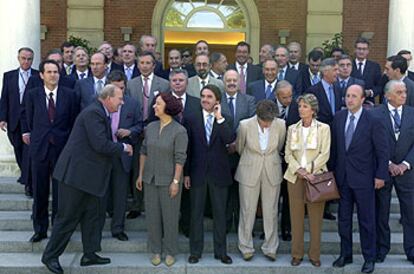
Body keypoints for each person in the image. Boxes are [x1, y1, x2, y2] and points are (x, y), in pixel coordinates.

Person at [41, 84, 133, 274]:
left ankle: (89, 254)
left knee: (93, 216)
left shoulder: (99, 112)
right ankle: (50, 256)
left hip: (90, 178)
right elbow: (100, 144)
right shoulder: (94, 113)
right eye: (119, 98)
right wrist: (124, 148)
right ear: (107, 98)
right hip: (75, 177)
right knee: (67, 218)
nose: (122, 102)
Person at [331, 84, 388, 273]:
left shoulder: (373, 119)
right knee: (344, 220)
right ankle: (345, 254)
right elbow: (336, 149)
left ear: (363, 99)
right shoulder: (338, 118)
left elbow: (382, 150)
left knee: (367, 220)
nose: (349, 99)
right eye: (347, 96)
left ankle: (369, 257)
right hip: (343, 179)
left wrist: (381, 175)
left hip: (365, 179)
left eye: (354, 96)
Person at [21, 59, 78, 243]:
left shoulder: (69, 95)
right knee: (40, 191)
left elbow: (73, 122)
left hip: (62, 149)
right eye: (49, 72)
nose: (53, 75)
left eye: (56, 72)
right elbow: (28, 118)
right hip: (39, 149)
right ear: (42, 75)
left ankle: (59, 230)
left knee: (61, 193)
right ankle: (40, 229)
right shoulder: (32, 95)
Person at [136, 92, 188, 267]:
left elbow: (180, 158)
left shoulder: (179, 131)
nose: (154, 107)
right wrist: (141, 175)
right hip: (150, 179)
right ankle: (156, 250)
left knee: (170, 217)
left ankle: (171, 251)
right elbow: (143, 151)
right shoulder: (150, 127)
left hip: (169, 181)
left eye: (157, 104)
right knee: (152, 217)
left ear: (167, 107)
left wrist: (175, 182)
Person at [184, 84, 234, 265]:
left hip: (219, 174)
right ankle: (195, 252)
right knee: (195, 214)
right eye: (203, 96)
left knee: (220, 215)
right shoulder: (191, 118)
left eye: (209, 97)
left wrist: (219, 118)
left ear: (217, 101)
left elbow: (230, 140)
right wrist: (186, 174)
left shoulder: (225, 119)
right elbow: (187, 149)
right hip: (197, 173)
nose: (205, 99)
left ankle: (221, 252)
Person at [235, 100, 286, 261]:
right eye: (265, 121)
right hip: (249, 168)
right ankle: (245, 247)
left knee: (271, 210)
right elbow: (239, 147)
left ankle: (271, 248)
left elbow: (279, 146)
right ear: (257, 116)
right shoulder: (244, 125)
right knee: (247, 210)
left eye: (271, 121)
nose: (268, 124)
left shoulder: (281, 124)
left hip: (272, 168)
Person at [284, 93, 331, 267]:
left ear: (313, 109)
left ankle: (315, 255)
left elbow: (324, 153)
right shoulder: (292, 128)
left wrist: (310, 170)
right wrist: (300, 171)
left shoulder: (323, 128)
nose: (301, 109)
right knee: (295, 218)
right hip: (295, 177)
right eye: (300, 106)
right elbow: (288, 154)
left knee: (315, 218)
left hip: (316, 177)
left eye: (304, 106)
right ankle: (297, 254)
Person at [372, 80, 414, 265]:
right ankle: (381, 248)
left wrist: (405, 164)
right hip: (383, 170)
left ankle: (411, 250)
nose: (404, 95)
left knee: (410, 213)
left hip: (408, 173)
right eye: (399, 92)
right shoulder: (374, 114)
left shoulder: (413, 114)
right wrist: (387, 163)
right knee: (382, 212)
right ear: (388, 95)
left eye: (404, 92)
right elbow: (372, 142)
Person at [126, 51, 170, 219]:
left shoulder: (164, 84)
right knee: (138, 168)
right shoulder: (131, 84)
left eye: (147, 63)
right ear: (138, 65)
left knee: (157, 167)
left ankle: (155, 204)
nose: (144, 66)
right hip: (136, 132)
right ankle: (137, 204)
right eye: (141, 63)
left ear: (154, 65)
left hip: (157, 130)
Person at [102, 71, 143, 241]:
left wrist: (130, 131)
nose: (119, 91)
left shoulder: (132, 104)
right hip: (102, 154)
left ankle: (118, 228)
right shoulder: (98, 103)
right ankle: (97, 225)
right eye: (115, 88)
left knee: (120, 194)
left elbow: (140, 125)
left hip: (122, 155)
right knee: (102, 193)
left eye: (122, 87)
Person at [220, 69, 256, 233]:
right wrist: (228, 143)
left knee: (243, 194)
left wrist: (237, 143)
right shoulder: (217, 101)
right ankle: (226, 225)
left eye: (235, 80)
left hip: (243, 154)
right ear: (223, 81)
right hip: (222, 155)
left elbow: (252, 124)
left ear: (240, 81)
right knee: (225, 193)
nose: (232, 83)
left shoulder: (249, 100)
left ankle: (243, 227)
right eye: (229, 80)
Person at [0, 47, 39, 196]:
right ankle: (26, 175)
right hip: (13, 119)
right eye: (23, 58)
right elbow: (5, 97)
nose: (26, 61)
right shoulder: (9, 76)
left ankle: (28, 182)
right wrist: (2, 118)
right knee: (18, 149)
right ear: (18, 58)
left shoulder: (37, 75)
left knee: (28, 152)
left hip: (30, 121)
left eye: (29, 59)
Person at [274, 80, 300, 241]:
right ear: (277, 96)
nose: (288, 100)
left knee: (289, 196)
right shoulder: (268, 106)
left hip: (291, 160)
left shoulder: (298, 108)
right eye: (284, 97)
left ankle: (286, 229)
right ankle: (269, 228)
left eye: (290, 96)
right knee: (273, 197)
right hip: (272, 159)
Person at [350, 37, 381, 104]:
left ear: (368, 51)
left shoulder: (375, 66)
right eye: (359, 49)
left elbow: (379, 86)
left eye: (364, 49)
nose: (361, 51)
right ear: (355, 50)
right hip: (351, 102)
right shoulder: (348, 65)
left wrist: (370, 92)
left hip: (368, 103)